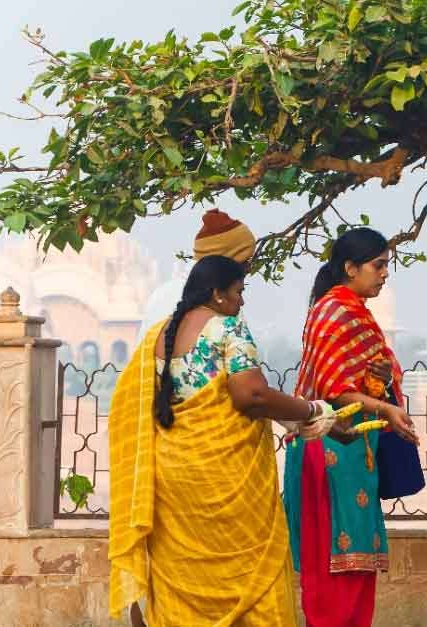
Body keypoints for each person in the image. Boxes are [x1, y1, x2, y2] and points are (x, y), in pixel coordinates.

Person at [108, 255, 340, 626]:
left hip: (173, 480)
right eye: (238, 291)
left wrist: (292, 417)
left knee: (183, 579)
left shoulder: (159, 336)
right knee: (253, 576)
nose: (241, 301)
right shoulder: (228, 328)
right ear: (217, 293)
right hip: (226, 480)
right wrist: (310, 410)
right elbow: (252, 396)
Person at [283, 228, 418, 627]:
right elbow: (332, 389)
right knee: (333, 563)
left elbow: (365, 379)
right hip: (327, 446)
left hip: (357, 451)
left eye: (386, 265)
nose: (385, 273)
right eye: (378, 265)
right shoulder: (334, 311)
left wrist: (381, 380)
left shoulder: (357, 312)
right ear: (350, 268)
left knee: (358, 562)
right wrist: (385, 407)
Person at [138, 209, 256, 339]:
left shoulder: (161, 294)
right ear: (224, 262)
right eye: (245, 261)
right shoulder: (221, 302)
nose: (249, 268)